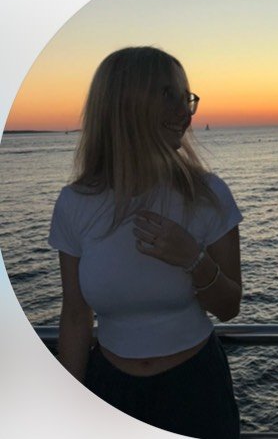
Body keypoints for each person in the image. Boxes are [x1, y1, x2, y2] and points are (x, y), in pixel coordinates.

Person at [48, 46, 243, 438]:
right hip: (109, 390)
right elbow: (75, 316)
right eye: (167, 94)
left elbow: (229, 307)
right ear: (121, 105)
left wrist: (193, 259)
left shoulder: (208, 195)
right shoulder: (75, 203)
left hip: (196, 390)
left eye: (186, 97)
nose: (184, 111)